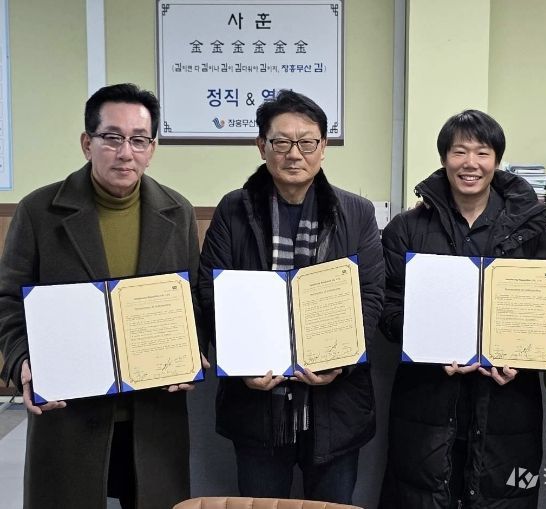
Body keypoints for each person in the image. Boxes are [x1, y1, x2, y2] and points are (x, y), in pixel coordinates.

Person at [0, 83, 205, 509]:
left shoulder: (178, 211)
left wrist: (193, 348)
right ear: (86, 143)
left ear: (151, 149)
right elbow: (7, 301)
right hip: (70, 413)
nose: (125, 152)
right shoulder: (39, 211)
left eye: (138, 140)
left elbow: (191, 301)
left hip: (153, 415)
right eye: (112, 137)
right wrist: (22, 361)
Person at [197, 90, 384, 503]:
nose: (294, 154)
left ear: (324, 147)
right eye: (281, 142)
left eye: (307, 142)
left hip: (337, 405)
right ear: (261, 146)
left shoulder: (357, 213)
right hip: (257, 404)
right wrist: (239, 364)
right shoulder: (233, 209)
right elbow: (211, 290)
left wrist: (342, 363)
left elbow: (371, 295)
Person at [379, 109, 546, 508]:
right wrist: (429, 347)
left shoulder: (531, 229)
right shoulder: (407, 228)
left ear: (497, 161)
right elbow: (388, 308)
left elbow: (543, 311)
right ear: (444, 158)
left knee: (500, 495)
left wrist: (521, 358)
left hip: (506, 401)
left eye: (482, 152)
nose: (470, 163)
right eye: (460, 152)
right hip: (427, 399)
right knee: (422, 494)